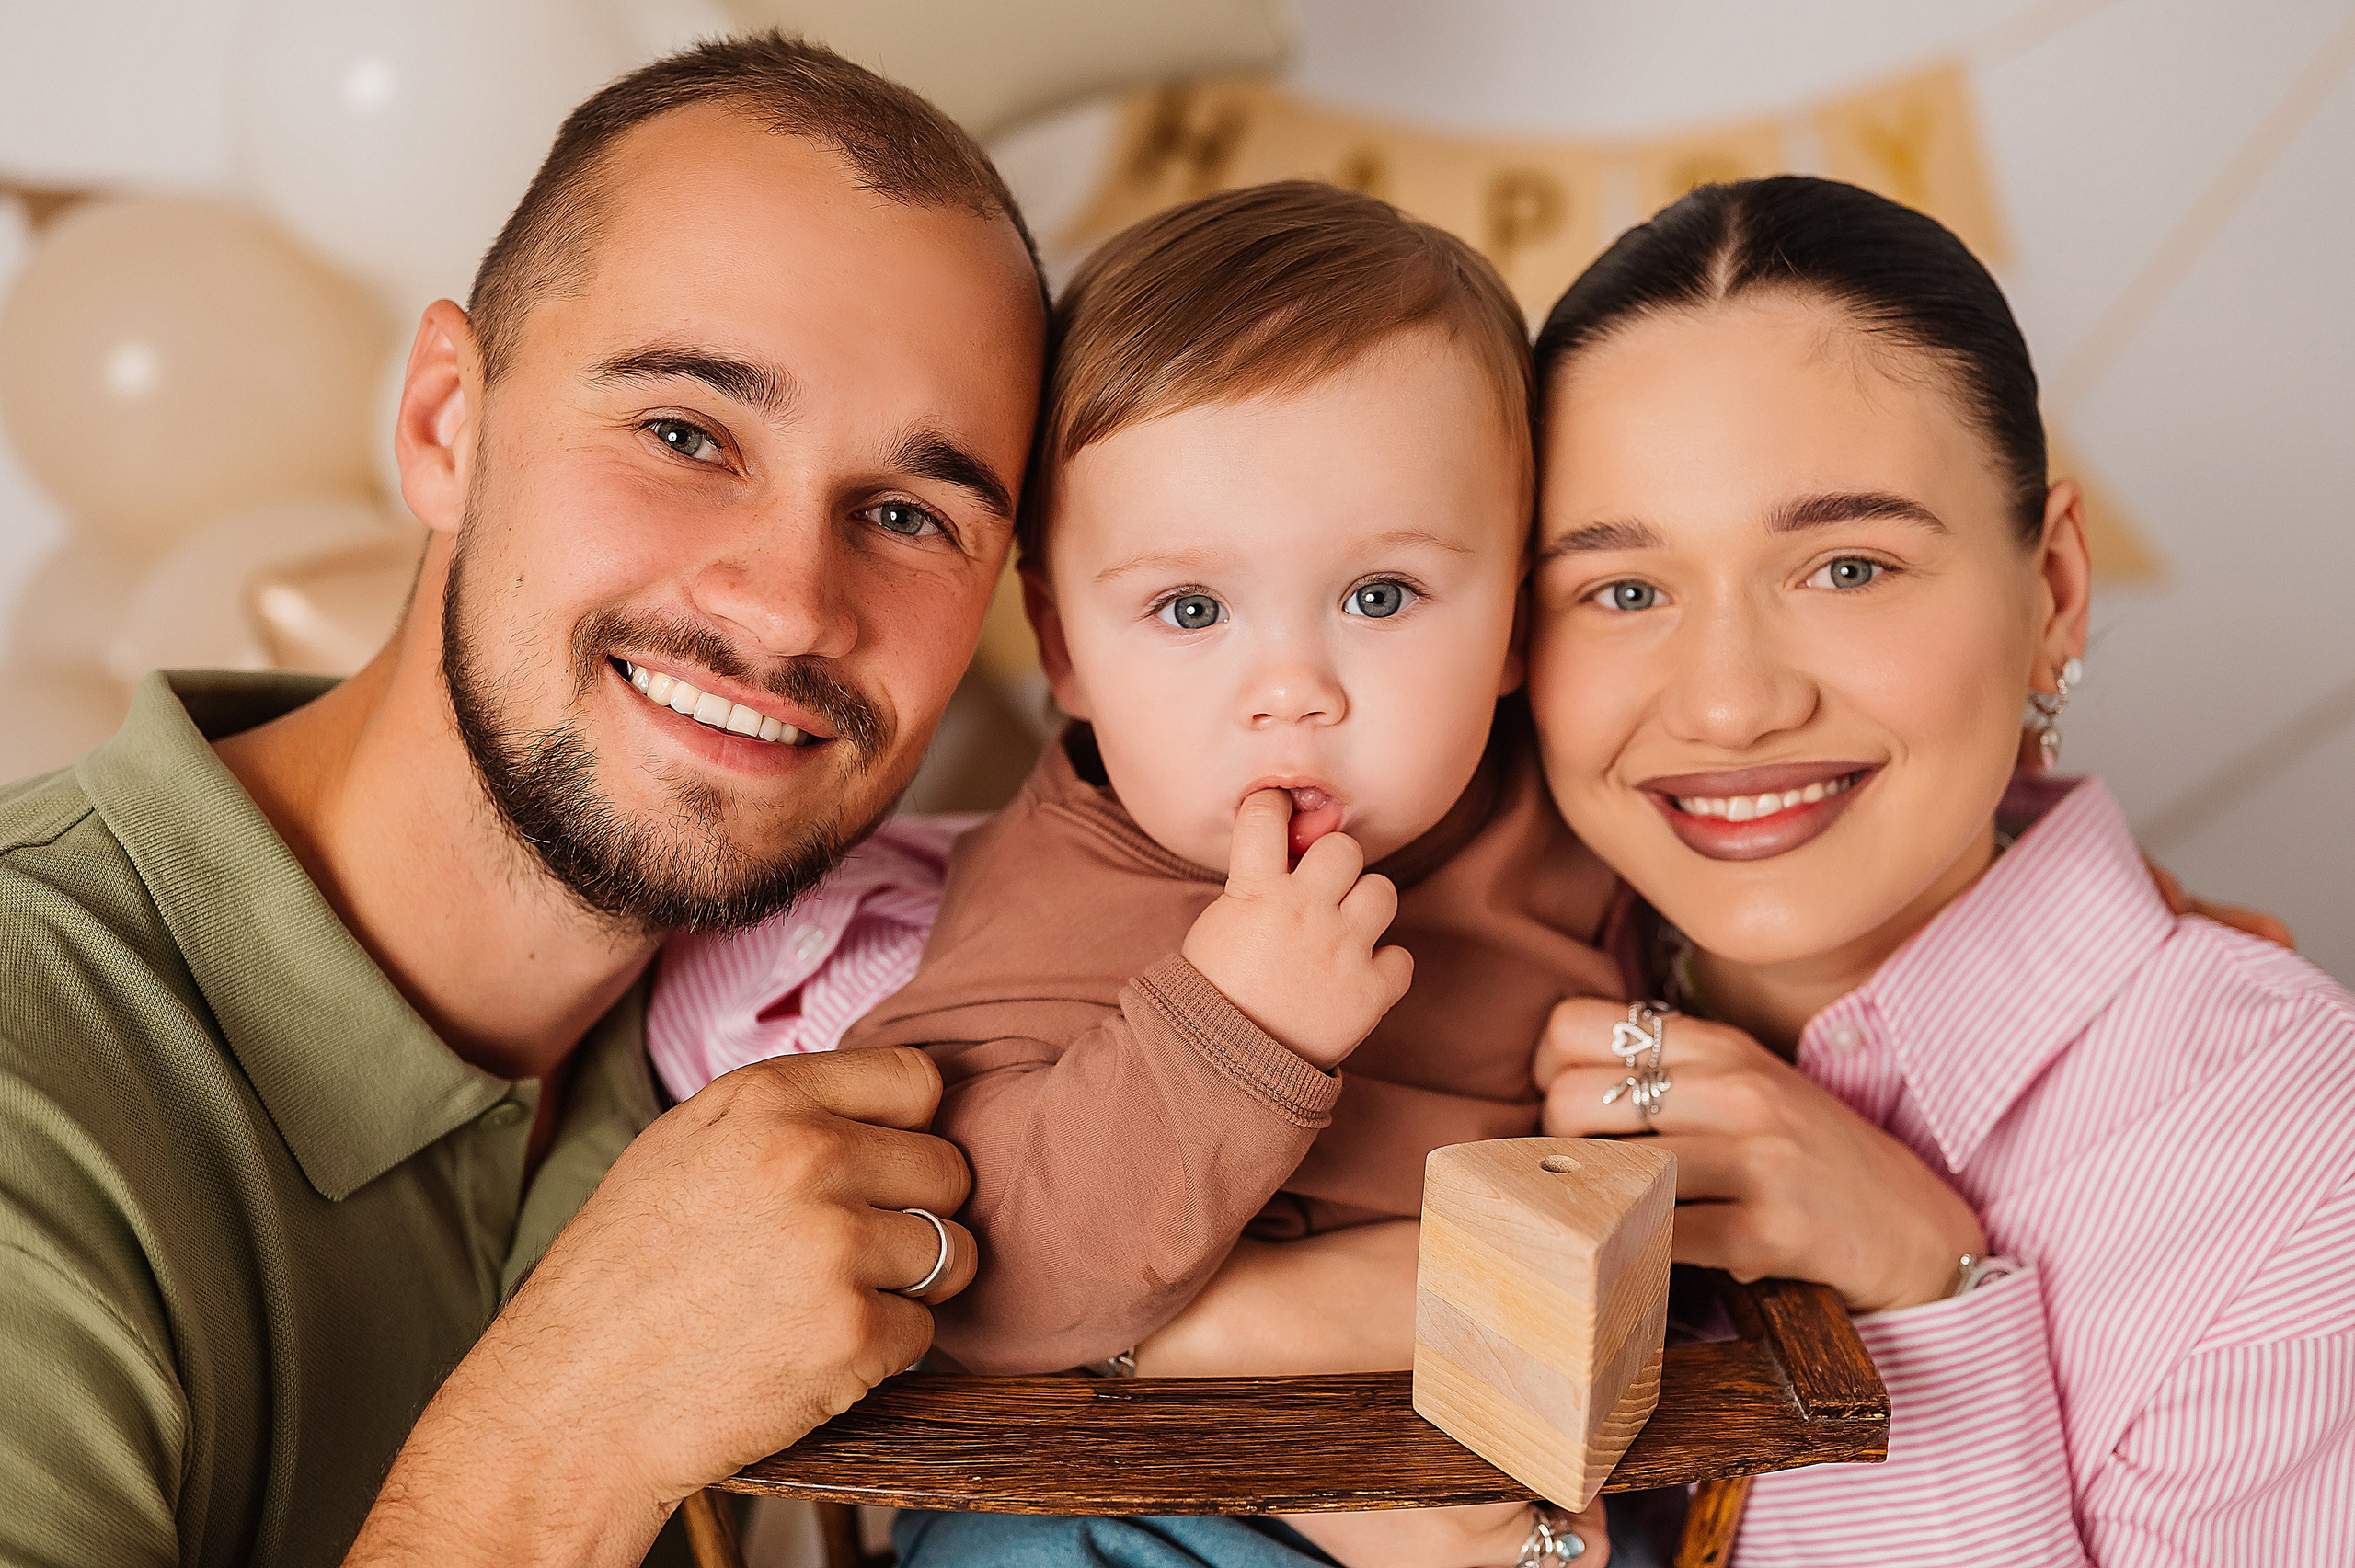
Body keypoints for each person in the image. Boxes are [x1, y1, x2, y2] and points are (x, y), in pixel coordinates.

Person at [0, 34, 1046, 1568]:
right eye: (686, 434)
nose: (789, 606)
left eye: (907, 513)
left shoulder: (844, 1019)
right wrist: (574, 1425)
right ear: (446, 422)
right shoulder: (29, 1057)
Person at [660, 178, 1622, 1564]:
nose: (1290, 688)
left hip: (1491, 1485)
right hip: (1111, 1490)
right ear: (1064, 650)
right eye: (1190, 607)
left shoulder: (1566, 819)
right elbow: (985, 1282)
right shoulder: (1054, 897)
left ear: (1517, 621)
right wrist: (1236, 1025)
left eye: (1380, 596)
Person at [1520, 176, 2355, 1562]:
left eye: (1847, 567)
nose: (1728, 704)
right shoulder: (1439, 1001)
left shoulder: (2298, 1162)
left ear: (2055, 591)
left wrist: (1927, 1301)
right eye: (1623, 590)